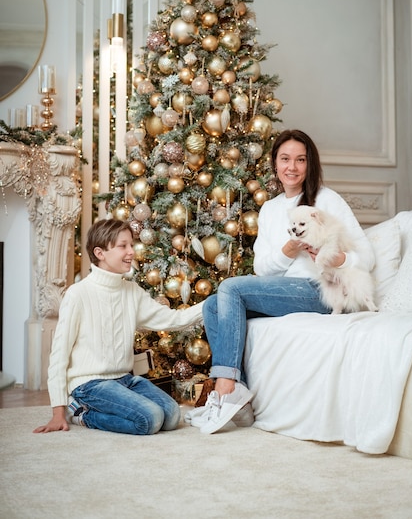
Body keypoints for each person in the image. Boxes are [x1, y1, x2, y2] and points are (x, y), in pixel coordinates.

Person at [189, 129, 375, 435]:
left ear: (309, 164)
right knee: (212, 305)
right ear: (275, 164)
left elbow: (366, 257)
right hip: (285, 291)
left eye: (300, 160)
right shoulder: (271, 209)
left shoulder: (327, 200)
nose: (293, 167)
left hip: (320, 290)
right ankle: (242, 402)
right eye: (285, 159)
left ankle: (224, 389)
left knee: (231, 288)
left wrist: (335, 259)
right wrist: (288, 251)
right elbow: (263, 270)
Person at [34, 218, 203, 436]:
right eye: (123, 246)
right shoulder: (78, 294)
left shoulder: (131, 291)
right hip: (89, 384)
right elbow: (59, 354)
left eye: (131, 245)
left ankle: (93, 409)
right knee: (150, 420)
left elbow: (172, 320)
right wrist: (58, 411)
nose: (131, 251)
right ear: (100, 253)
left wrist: (210, 305)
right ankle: (79, 413)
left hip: (124, 379)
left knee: (171, 416)